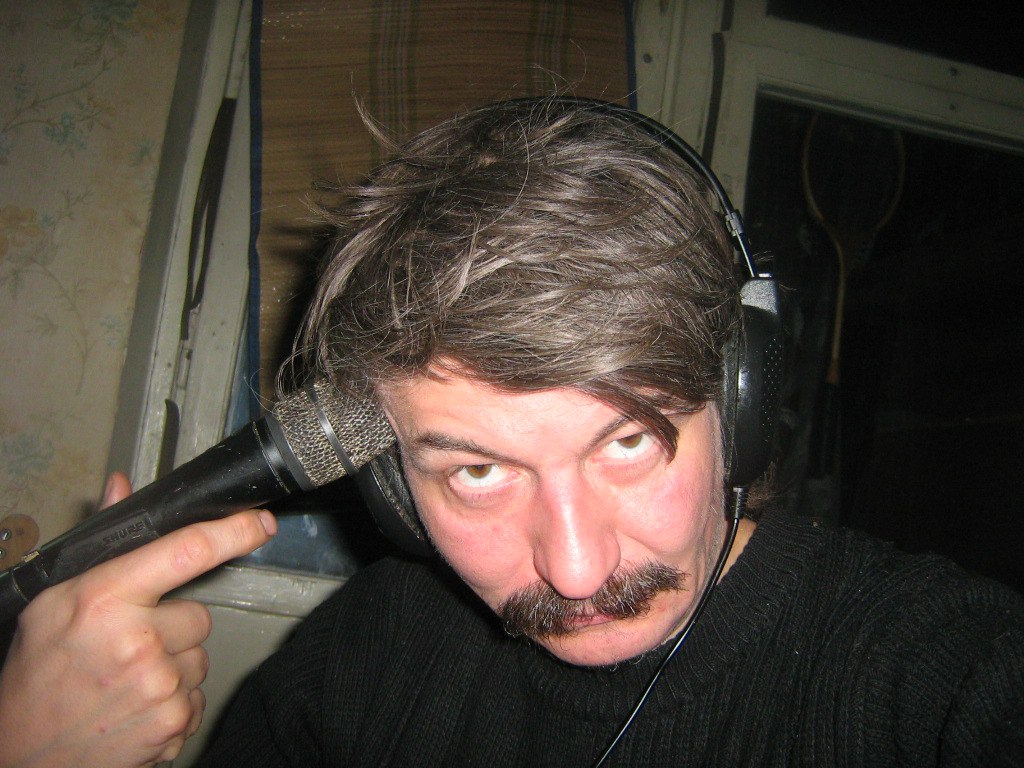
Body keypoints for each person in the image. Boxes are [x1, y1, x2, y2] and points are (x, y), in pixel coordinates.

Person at [3, 97, 1024, 767]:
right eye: (479, 472)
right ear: (392, 485)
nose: (574, 570)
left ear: (741, 403)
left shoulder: (939, 682)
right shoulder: (356, 665)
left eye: (628, 441)